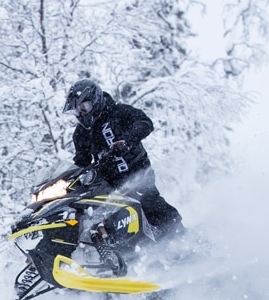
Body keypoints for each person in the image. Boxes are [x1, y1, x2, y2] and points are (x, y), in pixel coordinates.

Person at [62, 78, 184, 238]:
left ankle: (181, 236)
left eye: (84, 107)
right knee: (90, 212)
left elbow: (145, 122)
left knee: (148, 202)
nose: (81, 113)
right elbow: (81, 162)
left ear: (95, 100)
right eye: (77, 110)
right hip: (108, 184)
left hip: (137, 173)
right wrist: (66, 181)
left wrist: (127, 140)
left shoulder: (118, 112)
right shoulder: (81, 133)